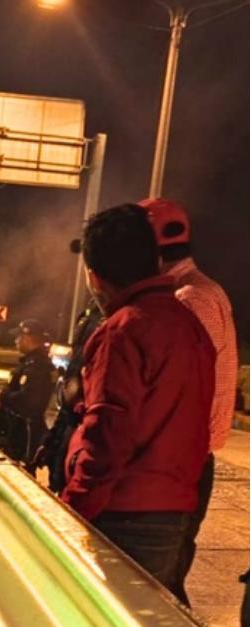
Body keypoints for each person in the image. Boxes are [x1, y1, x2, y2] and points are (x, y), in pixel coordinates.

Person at [61, 204, 215, 601]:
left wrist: (70, 507)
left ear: (94, 277)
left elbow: (110, 434)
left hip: (123, 515)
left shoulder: (123, 330)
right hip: (173, 511)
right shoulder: (189, 324)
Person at [139, 197, 239, 605]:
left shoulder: (185, 300)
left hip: (179, 464)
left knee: (157, 589)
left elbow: (175, 394)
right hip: (193, 460)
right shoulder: (206, 290)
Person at [29, 300, 102, 493]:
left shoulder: (115, 321)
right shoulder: (91, 314)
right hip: (72, 430)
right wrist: (53, 440)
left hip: (87, 439)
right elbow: (72, 391)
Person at [0, 319, 55, 463]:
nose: (16, 340)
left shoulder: (38, 366)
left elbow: (29, 402)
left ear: (28, 338)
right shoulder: (29, 362)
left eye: (19, 337)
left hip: (25, 433)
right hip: (15, 428)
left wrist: (4, 395)